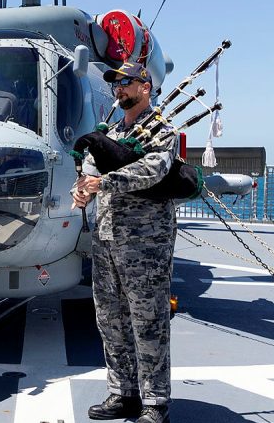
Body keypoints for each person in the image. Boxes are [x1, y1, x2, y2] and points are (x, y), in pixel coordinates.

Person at [72, 63, 177, 423]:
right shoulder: (110, 132)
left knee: (148, 320)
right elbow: (88, 169)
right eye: (116, 83)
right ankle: (122, 393)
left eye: (126, 82)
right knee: (110, 319)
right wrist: (82, 189)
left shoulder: (161, 130)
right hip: (107, 237)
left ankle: (155, 400)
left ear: (145, 87)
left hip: (147, 242)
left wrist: (104, 183)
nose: (119, 88)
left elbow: (153, 170)